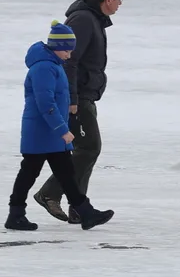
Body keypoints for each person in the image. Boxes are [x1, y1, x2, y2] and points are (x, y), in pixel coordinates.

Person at [33, 0, 132, 223]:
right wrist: (72, 99)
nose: (120, 3)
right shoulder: (84, 20)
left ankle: (79, 208)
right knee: (89, 148)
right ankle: (49, 193)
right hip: (77, 97)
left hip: (86, 95)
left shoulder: (93, 19)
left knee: (86, 149)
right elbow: (69, 60)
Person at [8, 23, 113, 232]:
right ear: (57, 47)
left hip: (50, 132)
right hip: (40, 132)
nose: (70, 54)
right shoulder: (43, 67)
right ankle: (15, 214)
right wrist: (62, 129)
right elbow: (45, 103)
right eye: (67, 49)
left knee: (66, 173)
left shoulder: (53, 64)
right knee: (29, 173)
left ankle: (85, 212)